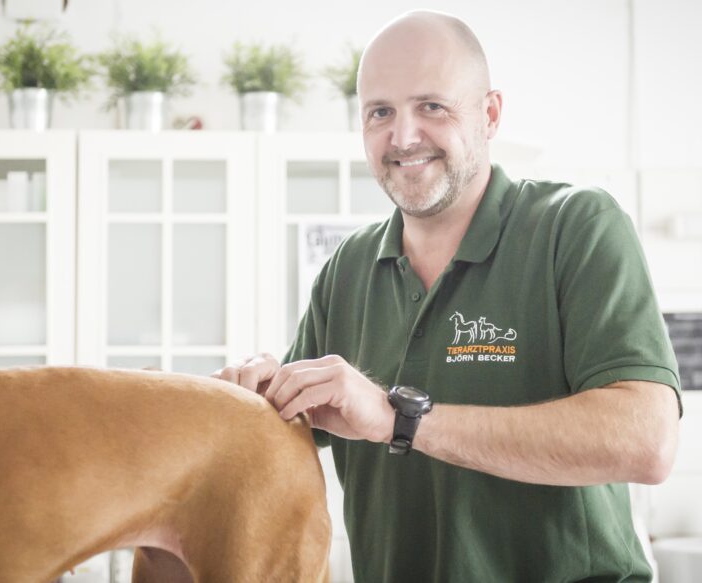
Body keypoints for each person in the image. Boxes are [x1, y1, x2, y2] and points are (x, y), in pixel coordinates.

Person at [214, 10, 682, 582]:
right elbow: (290, 428)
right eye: (380, 112)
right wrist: (254, 396)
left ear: (490, 114)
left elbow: (646, 441)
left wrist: (399, 420)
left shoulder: (576, 226)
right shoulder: (348, 268)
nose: (403, 137)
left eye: (432, 106)